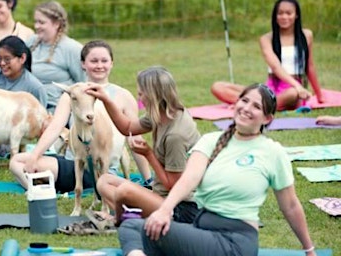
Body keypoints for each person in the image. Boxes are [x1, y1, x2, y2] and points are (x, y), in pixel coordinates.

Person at [119, 83, 317, 256]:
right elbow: (189, 178)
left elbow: (290, 206)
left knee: (147, 230)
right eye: (244, 100)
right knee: (131, 226)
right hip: (202, 231)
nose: (247, 108)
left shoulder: (272, 152)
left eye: (256, 106)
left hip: (234, 242)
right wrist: (164, 209)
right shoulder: (211, 141)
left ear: (267, 119)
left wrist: (309, 249)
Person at [9, 39, 151, 193]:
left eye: (104, 61)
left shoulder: (123, 96)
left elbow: (135, 139)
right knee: (17, 161)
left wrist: (148, 180)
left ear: (112, 63)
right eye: (94, 61)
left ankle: (43, 188)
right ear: (83, 64)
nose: (99, 65)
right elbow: (55, 127)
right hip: (74, 164)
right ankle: (42, 191)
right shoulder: (72, 93)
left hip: (103, 168)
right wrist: (35, 156)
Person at [85, 66, 200, 249]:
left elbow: (175, 186)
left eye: (141, 94)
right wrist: (106, 98)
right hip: (159, 195)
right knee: (104, 181)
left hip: (181, 209)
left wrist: (148, 154)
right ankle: (133, 216)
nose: (140, 99)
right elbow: (127, 127)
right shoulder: (161, 114)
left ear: (154, 96)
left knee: (124, 192)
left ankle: (123, 219)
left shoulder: (175, 135)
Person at [211, 0, 323, 111]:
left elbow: (310, 66)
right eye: (280, 13)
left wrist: (319, 95)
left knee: (293, 93)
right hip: (270, 88)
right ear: (275, 16)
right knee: (218, 87)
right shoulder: (266, 39)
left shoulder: (307, 35)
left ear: (296, 15)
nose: (284, 17)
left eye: (289, 13)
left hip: (292, 90)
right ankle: (260, 105)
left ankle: (253, 105)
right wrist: (298, 86)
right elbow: (275, 67)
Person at [26, 1, 86, 114]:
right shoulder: (30, 43)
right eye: (36, 22)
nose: (36, 26)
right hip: (28, 104)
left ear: (56, 24)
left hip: (56, 107)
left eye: (41, 22)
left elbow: (83, 82)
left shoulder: (71, 49)